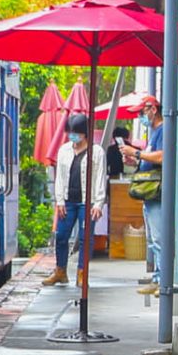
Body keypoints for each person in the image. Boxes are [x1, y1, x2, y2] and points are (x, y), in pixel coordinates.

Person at [44, 114, 119, 287]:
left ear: (85, 133)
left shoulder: (97, 152)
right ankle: (60, 270)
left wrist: (99, 203)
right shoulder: (64, 150)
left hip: (88, 201)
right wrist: (60, 201)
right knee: (61, 235)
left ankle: (82, 273)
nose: (73, 136)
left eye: (77, 133)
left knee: (86, 238)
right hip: (68, 201)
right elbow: (60, 178)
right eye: (71, 132)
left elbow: (101, 177)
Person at [126, 95, 167, 294]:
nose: (141, 117)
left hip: (157, 192)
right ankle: (158, 278)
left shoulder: (164, 130)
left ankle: (163, 281)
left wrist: (136, 153)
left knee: (159, 239)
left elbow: (162, 156)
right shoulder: (153, 133)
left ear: (153, 109)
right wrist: (137, 160)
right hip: (150, 194)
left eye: (142, 112)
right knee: (153, 240)